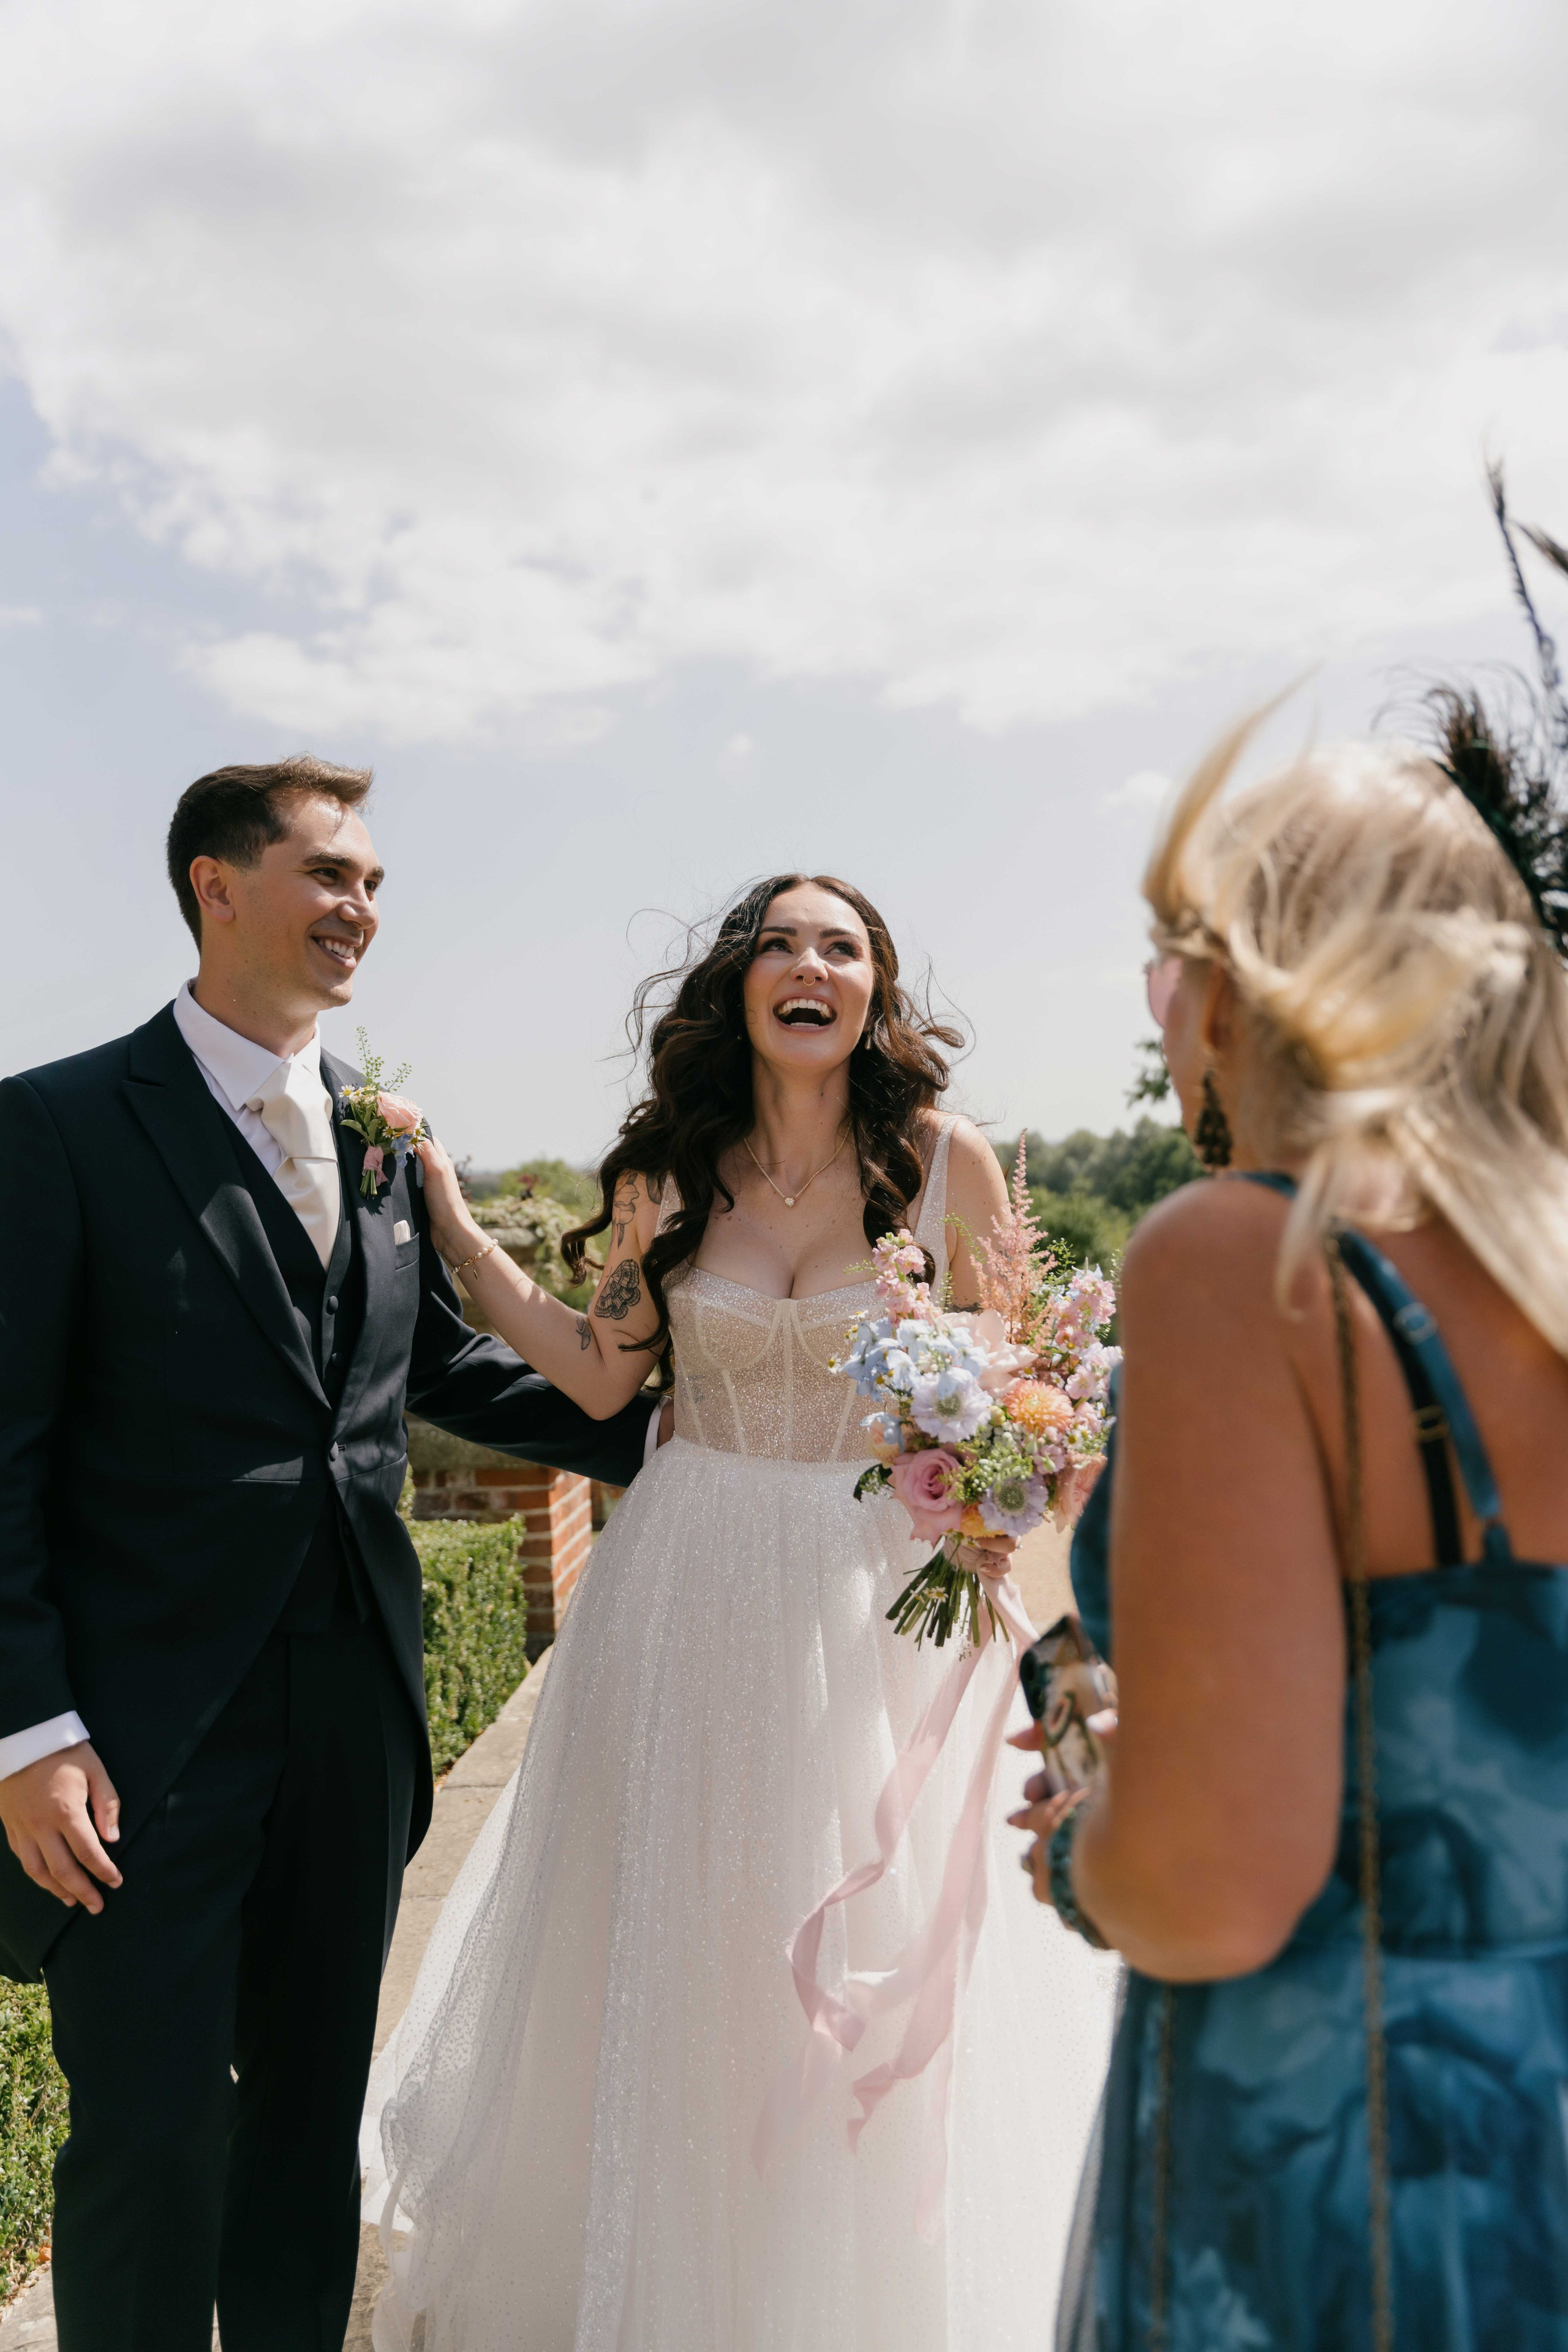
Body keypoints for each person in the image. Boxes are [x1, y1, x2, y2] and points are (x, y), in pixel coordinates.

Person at [368, 872, 1119, 2352]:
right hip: (687, 1594)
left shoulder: (944, 1162)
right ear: (740, 984)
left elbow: (1035, 1422)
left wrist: (1038, 1610)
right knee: (683, 1947)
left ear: (871, 993)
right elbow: (593, 1377)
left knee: (858, 1936)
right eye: (778, 941)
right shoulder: (672, 1172)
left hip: (871, 1617)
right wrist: (454, 1226)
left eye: (839, 947)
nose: (807, 965)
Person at [0, 758, 656, 2352]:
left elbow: (428, 1367)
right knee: (151, 2145)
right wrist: (28, 1730)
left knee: (309, 2137)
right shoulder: (58, 1128)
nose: (362, 906)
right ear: (216, 888)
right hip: (143, 1741)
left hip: (356, 1722)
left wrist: (693, 1436)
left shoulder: (377, 1137)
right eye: (328, 874)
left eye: (373, 882)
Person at [1012, 698, 1568, 2347]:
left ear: (1253, 979)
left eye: (1168, 955)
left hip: (1353, 2167)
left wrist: (1082, 1852)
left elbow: (1214, 1887)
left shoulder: (1247, 1263)